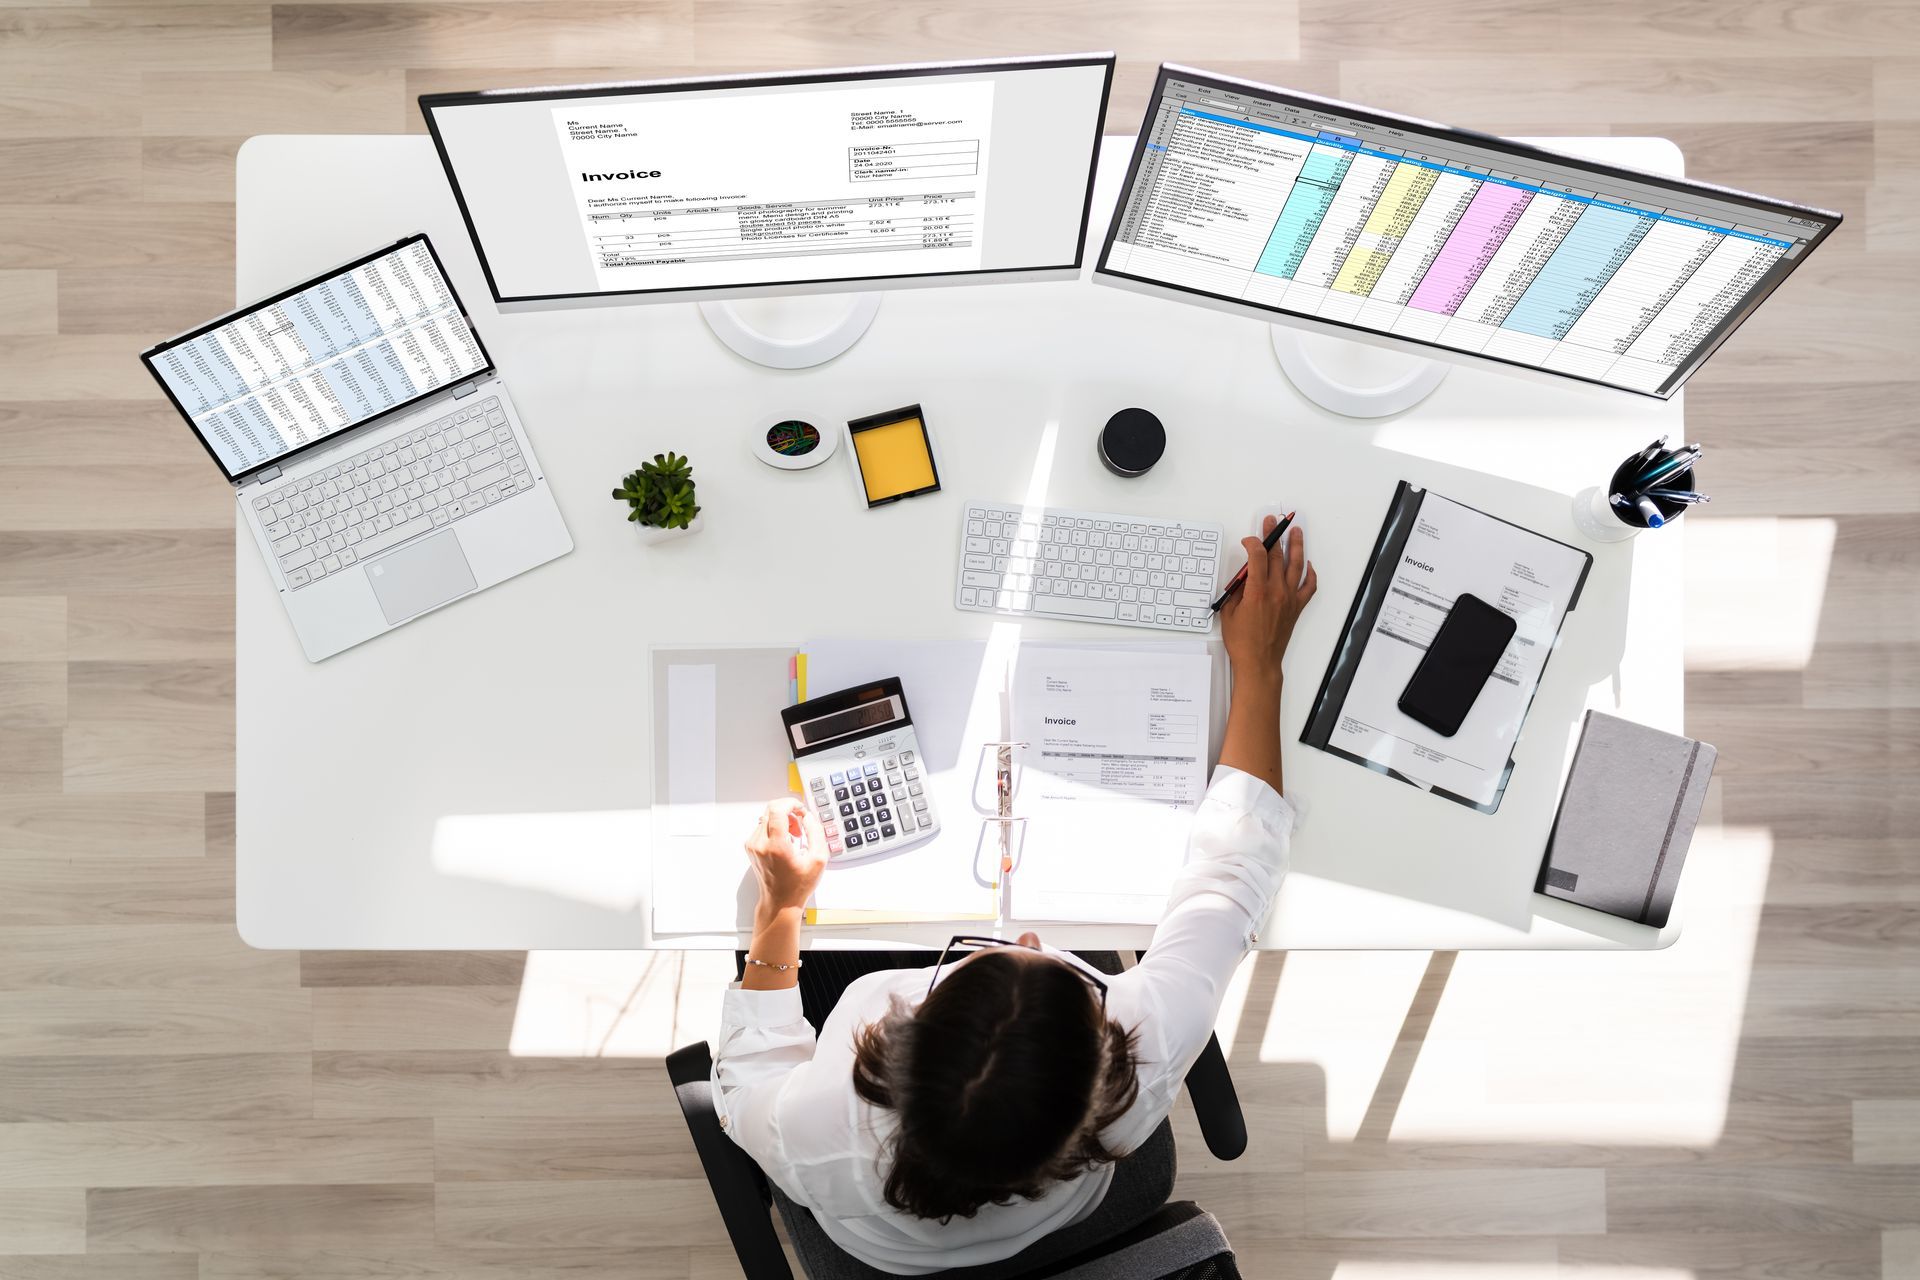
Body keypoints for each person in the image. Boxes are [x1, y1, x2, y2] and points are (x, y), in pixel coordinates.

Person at [713, 519, 1316, 1278]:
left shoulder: (822, 1129)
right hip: (1062, 1200)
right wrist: (1259, 665)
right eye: (1049, 965)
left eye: (982, 960)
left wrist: (781, 910)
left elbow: (745, 1087)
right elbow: (1235, 873)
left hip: (887, 1250)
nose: (1029, 940)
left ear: (888, 1050)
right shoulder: (1147, 1050)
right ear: (1109, 1055)